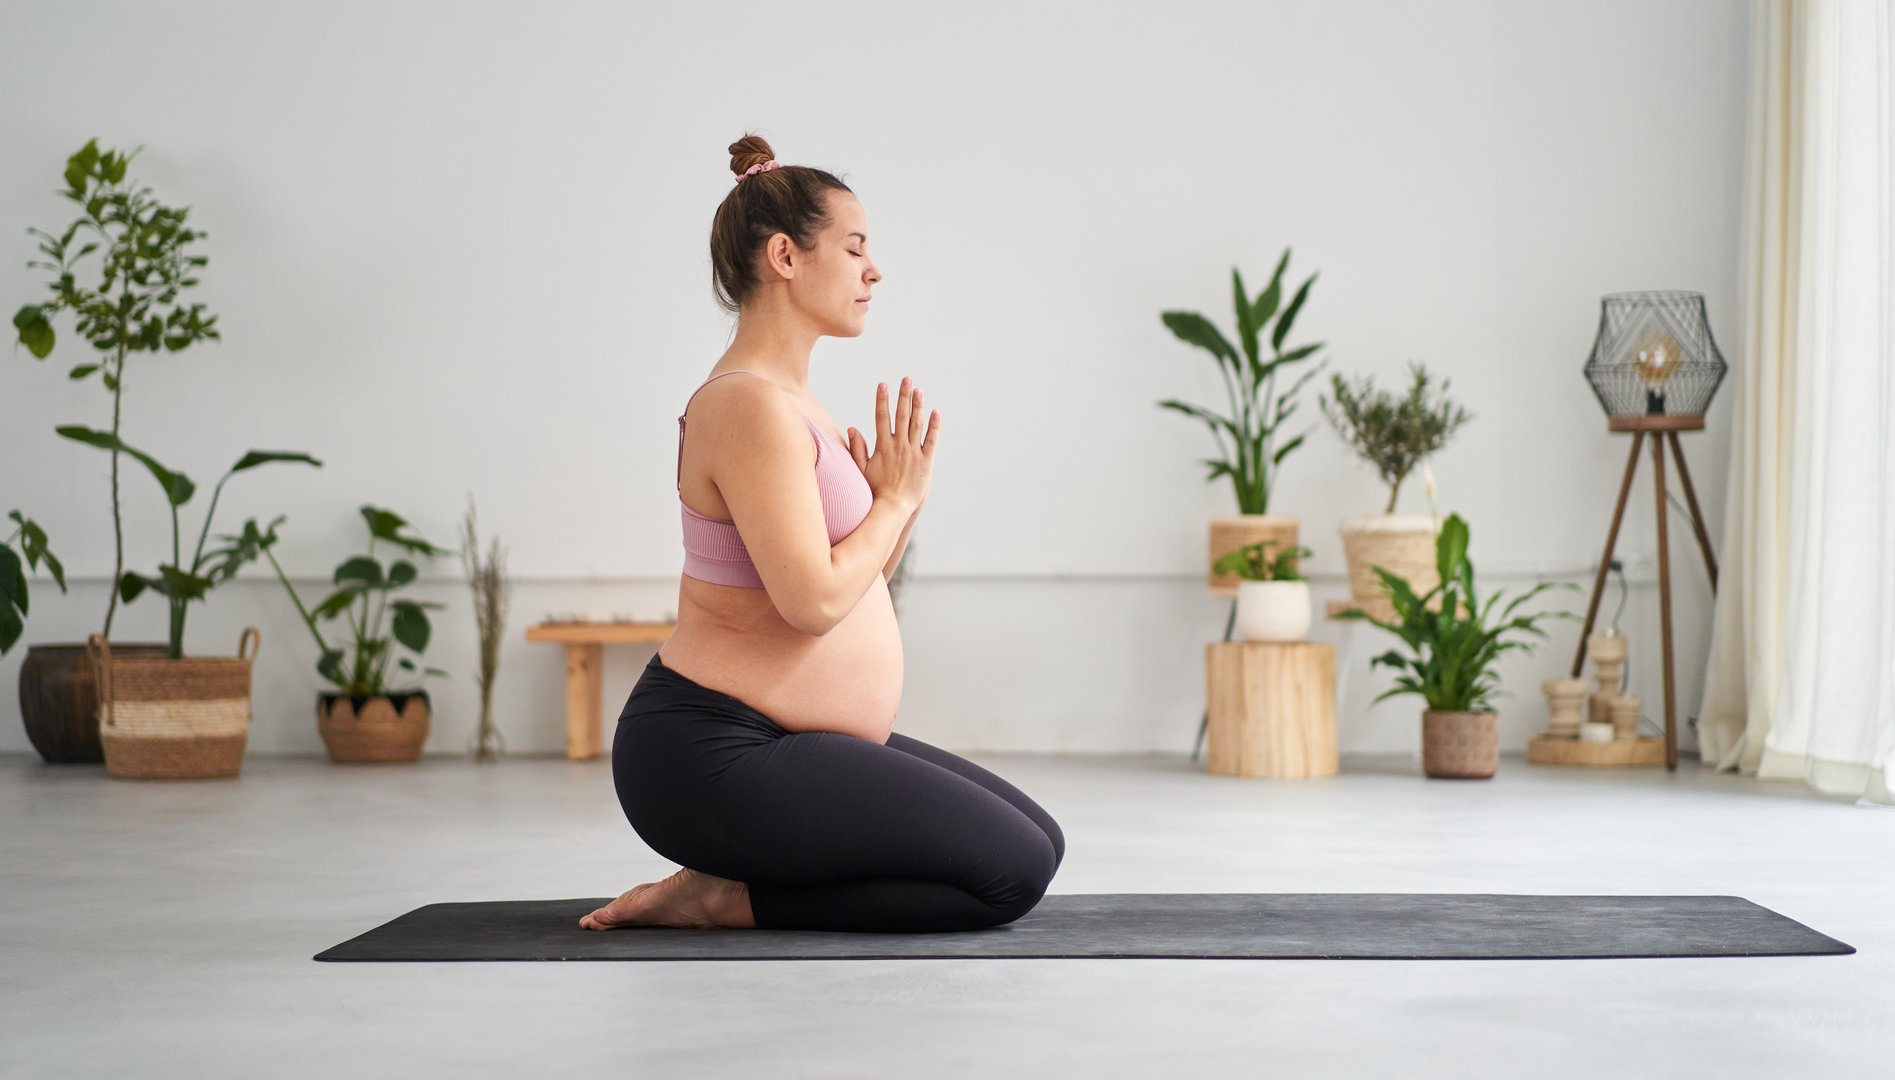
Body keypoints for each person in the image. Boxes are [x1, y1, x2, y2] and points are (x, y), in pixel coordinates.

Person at [580, 133, 1064, 933]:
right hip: (713, 753)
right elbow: (811, 604)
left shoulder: (794, 405)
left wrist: (897, 504)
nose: (874, 271)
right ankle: (723, 898)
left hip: (780, 739)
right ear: (785, 256)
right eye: (854, 247)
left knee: (1039, 841)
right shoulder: (745, 405)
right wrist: (893, 504)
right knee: (1008, 873)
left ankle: (726, 886)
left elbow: (857, 586)